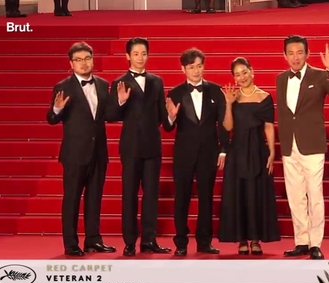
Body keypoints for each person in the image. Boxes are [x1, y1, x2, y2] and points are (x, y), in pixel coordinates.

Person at [276, 35, 329, 260]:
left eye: (299, 52)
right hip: (289, 145)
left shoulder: (319, 75)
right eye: (291, 53)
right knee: (295, 195)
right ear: (285, 55)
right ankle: (301, 241)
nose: (295, 57)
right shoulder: (281, 79)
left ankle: (315, 243)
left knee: (314, 195)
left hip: (312, 144)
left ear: (307, 54)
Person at [46, 41, 116, 256]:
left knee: (95, 198)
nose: (84, 64)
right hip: (75, 154)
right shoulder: (63, 87)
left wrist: (120, 103)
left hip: (98, 153)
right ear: (71, 63)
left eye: (87, 59)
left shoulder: (104, 85)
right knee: (72, 199)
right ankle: (71, 243)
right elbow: (51, 119)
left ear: (92, 60)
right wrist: (57, 108)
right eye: (79, 60)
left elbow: (109, 116)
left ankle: (93, 239)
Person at [108, 37, 172, 257]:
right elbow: (110, 116)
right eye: (136, 54)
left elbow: (164, 117)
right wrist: (121, 101)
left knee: (151, 195)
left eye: (144, 53)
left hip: (153, 146)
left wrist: (171, 117)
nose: (140, 58)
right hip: (131, 147)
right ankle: (129, 242)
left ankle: (149, 240)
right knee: (130, 195)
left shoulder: (157, 81)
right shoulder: (119, 83)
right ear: (128, 56)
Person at [164, 48, 229, 256]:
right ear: (183, 68)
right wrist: (172, 117)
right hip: (183, 154)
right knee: (181, 198)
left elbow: (222, 124)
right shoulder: (174, 93)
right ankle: (181, 242)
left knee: (206, 198)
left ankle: (204, 241)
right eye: (191, 67)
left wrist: (223, 150)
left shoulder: (216, 91)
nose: (196, 71)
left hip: (209, 153)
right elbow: (167, 126)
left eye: (199, 66)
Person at [217, 57, 281, 255]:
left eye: (244, 72)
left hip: (257, 151)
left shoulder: (265, 97)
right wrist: (228, 104)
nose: (242, 77)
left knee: (256, 194)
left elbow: (269, 126)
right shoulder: (231, 97)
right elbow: (227, 127)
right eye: (237, 74)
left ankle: (255, 240)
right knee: (239, 194)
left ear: (252, 71)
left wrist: (272, 152)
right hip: (237, 152)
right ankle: (241, 240)